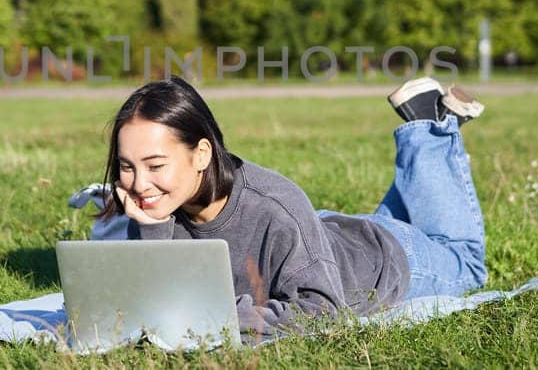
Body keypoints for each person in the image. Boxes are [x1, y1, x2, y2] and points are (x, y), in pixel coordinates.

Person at [97, 75, 490, 334]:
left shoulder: (273, 205)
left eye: (155, 165)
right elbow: (161, 297)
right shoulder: (157, 205)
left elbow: (324, 309)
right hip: (326, 239)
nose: (139, 184)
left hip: (383, 261)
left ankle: (429, 129)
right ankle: (428, 142)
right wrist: (152, 227)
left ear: (201, 154)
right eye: (127, 166)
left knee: (467, 263)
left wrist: (222, 320)